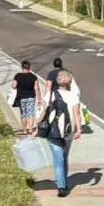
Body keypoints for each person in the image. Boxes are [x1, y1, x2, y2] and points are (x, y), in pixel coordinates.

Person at [36, 69, 82, 197]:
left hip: (53, 130)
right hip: (68, 131)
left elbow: (42, 112)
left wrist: (36, 127)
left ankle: (61, 186)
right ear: (69, 82)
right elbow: (77, 114)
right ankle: (64, 181)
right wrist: (79, 129)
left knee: (58, 159)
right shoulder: (73, 96)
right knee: (65, 157)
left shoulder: (50, 94)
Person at [11, 60, 39, 134]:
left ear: (22, 67)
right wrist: (39, 99)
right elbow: (36, 88)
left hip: (21, 98)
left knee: (23, 114)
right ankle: (30, 129)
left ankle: (24, 130)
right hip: (31, 97)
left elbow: (14, 86)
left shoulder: (18, 75)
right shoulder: (34, 77)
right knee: (31, 114)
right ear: (29, 67)